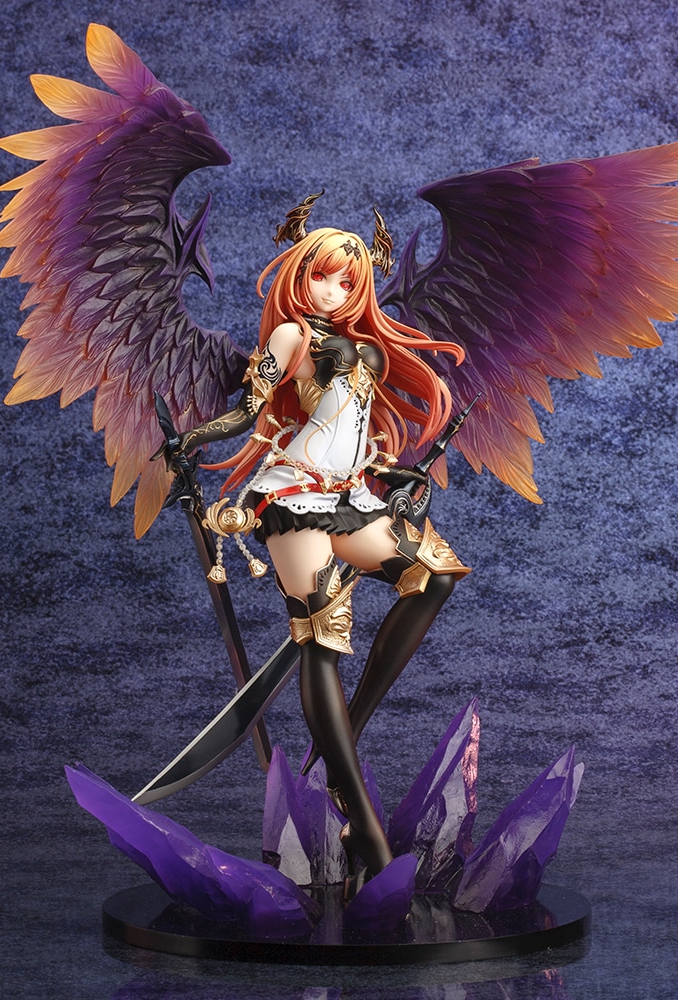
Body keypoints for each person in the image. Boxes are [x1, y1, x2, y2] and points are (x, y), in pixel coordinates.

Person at [171, 220, 470, 890]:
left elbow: (354, 429)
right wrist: (191, 442)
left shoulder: (364, 346)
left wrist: (392, 472)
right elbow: (247, 411)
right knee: (322, 639)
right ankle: (363, 824)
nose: (332, 291)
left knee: (435, 575)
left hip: (352, 494)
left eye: (346, 280)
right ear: (298, 274)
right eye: (320, 275)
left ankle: (342, 744)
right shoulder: (290, 336)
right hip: (293, 495)